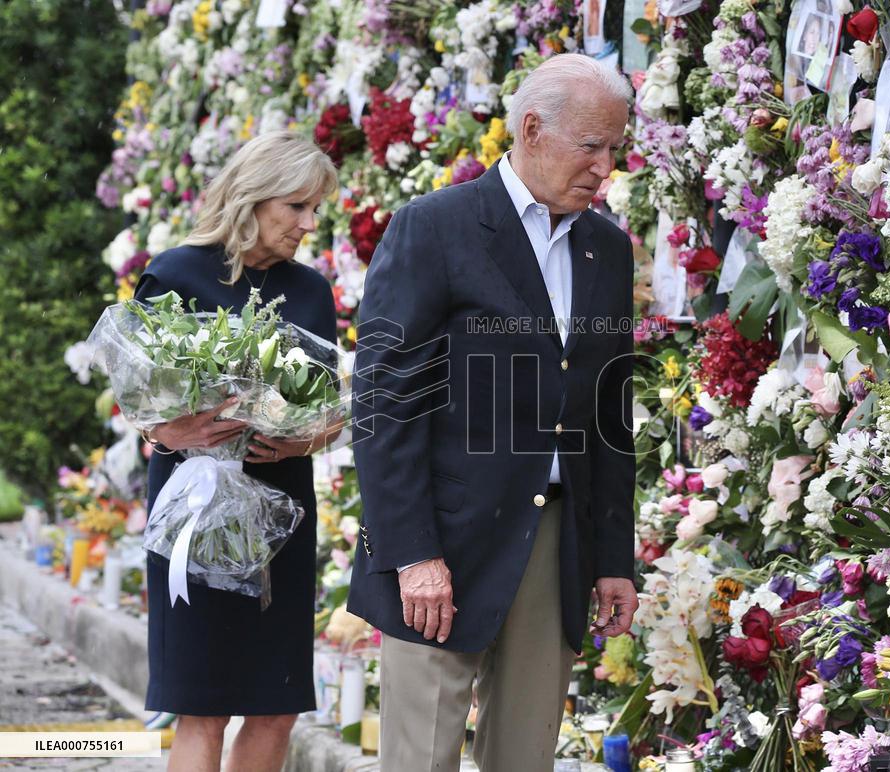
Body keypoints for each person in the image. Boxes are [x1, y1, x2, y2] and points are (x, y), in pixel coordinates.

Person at [348, 53, 638, 772]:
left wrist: (611, 557)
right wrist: (412, 554)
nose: (606, 167)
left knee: (524, 757)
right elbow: (385, 403)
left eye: (616, 149)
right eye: (592, 146)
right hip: (440, 543)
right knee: (421, 758)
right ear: (532, 129)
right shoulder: (435, 227)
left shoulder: (606, 247)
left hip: (554, 540)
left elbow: (609, 412)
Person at [133, 131, 342, 772]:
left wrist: (304, 436)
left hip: (283, 509)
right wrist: (167, 432)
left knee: (274, 706)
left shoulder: (310, 290)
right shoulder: (174, 273)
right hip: (195, 510)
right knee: (204, 707)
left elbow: (330, 415)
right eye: (296, 208)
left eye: (316, 210)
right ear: (252, 198)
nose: (309, 224)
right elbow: (141, 404)